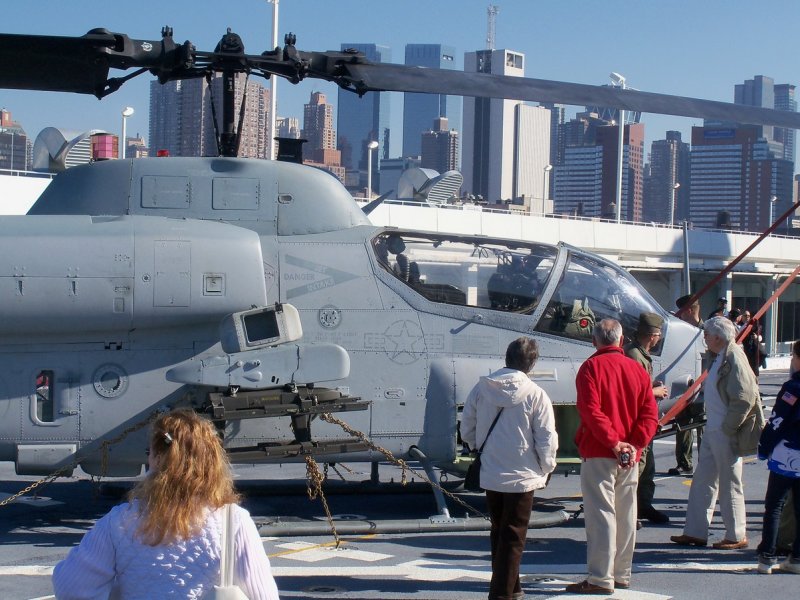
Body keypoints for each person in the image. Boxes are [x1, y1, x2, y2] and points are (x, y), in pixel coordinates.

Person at [52, 409, 280, 599]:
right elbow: (264, 596)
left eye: (149, 452)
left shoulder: (120, 521)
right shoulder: (233, 521)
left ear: (157, 459)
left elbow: (70, 587)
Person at [565, 319, 658, 595]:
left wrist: (613, 442)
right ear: (620, 340)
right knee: (627, 513)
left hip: (599, 450)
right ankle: (622, 573)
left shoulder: (590, 368)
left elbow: (591, 412)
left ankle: (600, 577)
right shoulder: (637, 369)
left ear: (595, 341)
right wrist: (632, 444)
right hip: (629, 453)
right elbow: (649, 414)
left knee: (601, 515)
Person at [461, 337, 559, 600]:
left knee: (499, 529)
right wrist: (547, 466)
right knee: (514, 534)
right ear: (532, 363)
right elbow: (546, 437)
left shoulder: (482, 388)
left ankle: (511, 586)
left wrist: (475, 447)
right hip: (523, 474)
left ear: (506, 357)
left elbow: (466, 426)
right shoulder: (536, 394)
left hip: (490, 470)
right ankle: (502, 592)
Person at [670, 316, 760, 550]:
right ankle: (695, 532)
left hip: (724, 430)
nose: (705, 339)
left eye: (707, 335)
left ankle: (736, 534)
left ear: (718, 337)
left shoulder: (733, 357)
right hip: (714, 428)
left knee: (730, 483)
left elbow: (745, 398)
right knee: (703, 480)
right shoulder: (721, 355)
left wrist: (729, 428)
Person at [755, 339, 800, 574]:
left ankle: (767, 556)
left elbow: (778, 421)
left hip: (788, 454)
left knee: (774, 505)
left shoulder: (793, 388)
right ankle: (797, 558)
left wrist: (764, 446)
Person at [624, 312, 670, 524]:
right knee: (638, 467)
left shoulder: (640, 354)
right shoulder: (634, 355)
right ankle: (631, 511)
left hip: (645, 421)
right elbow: (632, 392)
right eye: (658, 335)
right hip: (637, 422)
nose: (659, 338)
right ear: (652, 335)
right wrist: (654, 393)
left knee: (647, 467)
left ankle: (643, 506)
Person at [670, 294, 704, 476]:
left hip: (702, 387)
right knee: (682, 425)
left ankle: (705, 465)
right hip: (683, 384)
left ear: (689, 310)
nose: (678, 315)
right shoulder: (679, 333)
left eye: (682, 312)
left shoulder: (707, 331)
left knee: (702, 426)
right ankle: (684, 462)